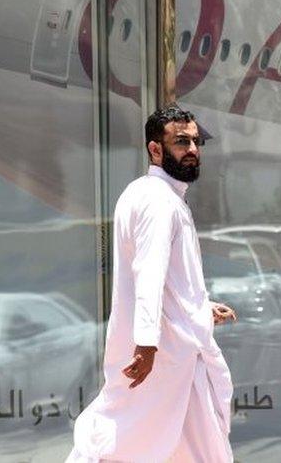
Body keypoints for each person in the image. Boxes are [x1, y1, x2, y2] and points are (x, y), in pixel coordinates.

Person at [67, 106, 237, 463]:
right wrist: (146, 345)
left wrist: (200, 308)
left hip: (177, 354)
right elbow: (149, 272)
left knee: (182, 450)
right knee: (125, 445)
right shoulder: (159, 202)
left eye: (195, 141)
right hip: (165, 359)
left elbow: (169, 279)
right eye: (181, 142)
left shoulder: (155, 196)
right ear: (155, 149)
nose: (192, 149)